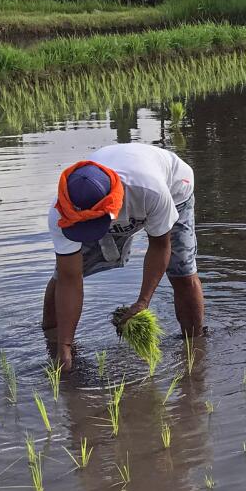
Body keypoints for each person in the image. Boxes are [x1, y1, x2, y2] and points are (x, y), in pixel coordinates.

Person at [42, 142, 204, 370]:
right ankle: (53, 342)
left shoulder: (151, 191)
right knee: (61, 276)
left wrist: (143, 302)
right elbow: (70, 278)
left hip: (176, 190)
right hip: (113, 205)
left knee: (182, 272)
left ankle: (195, 347)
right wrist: (64, 348)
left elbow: (160, 246)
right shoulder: (61, 212)